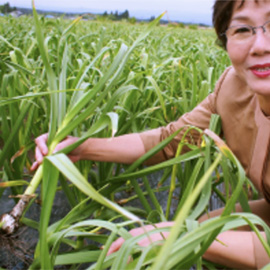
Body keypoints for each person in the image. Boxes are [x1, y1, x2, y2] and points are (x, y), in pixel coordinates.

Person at [31, 0, 270, 268]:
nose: (261, 45)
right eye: (242, 30)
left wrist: (181, 235)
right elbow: (168, 142)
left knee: (195, 236)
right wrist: (83, 147)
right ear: (224, 39)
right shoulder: (232, 88)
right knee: (204, 228)